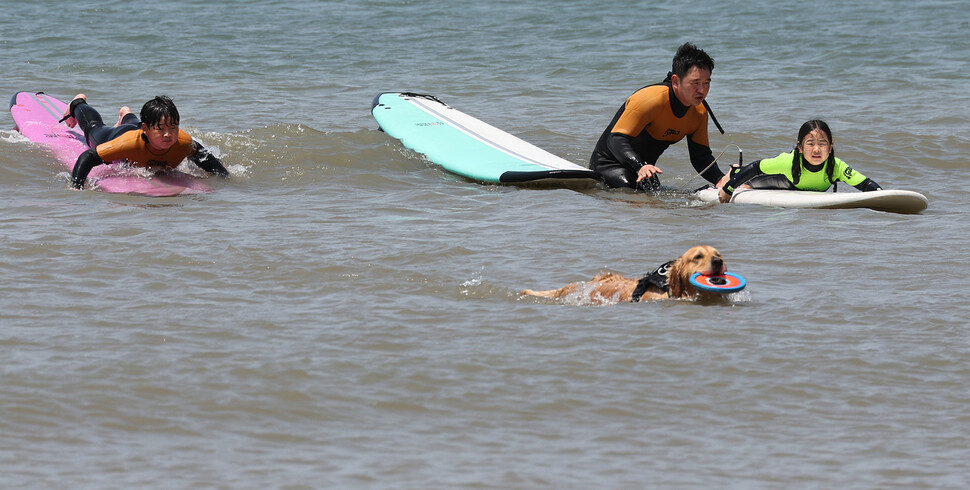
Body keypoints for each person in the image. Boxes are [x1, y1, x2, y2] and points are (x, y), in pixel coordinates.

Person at [589, 42, 725, 191]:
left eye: (706, 83)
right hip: (608, 164)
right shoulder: (650, 100)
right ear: (675, 81)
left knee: (652, 193)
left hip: (644, 172)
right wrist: (639, 165)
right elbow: (615, 139)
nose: (702, 90)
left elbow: (701, 157)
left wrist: (721, 180)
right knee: (633, 189)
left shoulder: (699, 111)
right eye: (695, 83)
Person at [61, 94, 229, 189]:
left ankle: (126, 115)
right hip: (120, 134)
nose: (168, 134)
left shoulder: (183, 143)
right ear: (146, 129)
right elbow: (88, 157)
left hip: (141, 127)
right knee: (94, 128)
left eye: (173, 127)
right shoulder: (128, 144)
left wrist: (225, 178)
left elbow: (207, 160)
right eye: (161, 129)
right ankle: (77, 104)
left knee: (137, 122)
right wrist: (76, 186)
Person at [717, 119, 881, 202]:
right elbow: (755, 167)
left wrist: (882, 196)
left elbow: (864, 183)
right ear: (800, 148)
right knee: (747, 185)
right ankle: (734, 171)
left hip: (795, 185)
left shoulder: (836, 166)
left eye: (822, 144)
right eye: (810, 144)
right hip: (782, 180)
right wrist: (728, 189)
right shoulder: (788, 161)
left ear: (830, 148)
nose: (816, 149)